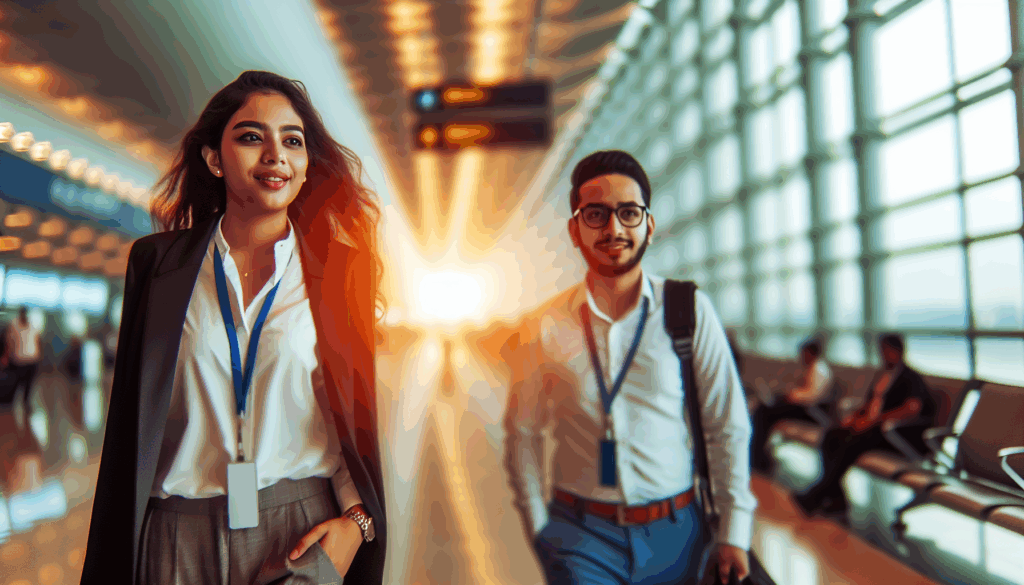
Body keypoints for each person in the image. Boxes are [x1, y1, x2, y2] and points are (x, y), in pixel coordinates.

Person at [81, 71, 387, 585]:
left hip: (300, 529)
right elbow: (131, 424)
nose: (275, 155)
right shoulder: (158, 266)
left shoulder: (340, 273)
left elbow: (353, 426)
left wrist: (356, 524)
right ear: (214, 159)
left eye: (292, 141)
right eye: (251, 137)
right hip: (177, 537)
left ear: (306, 165)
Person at [503, 150, 756, 585]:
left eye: (629, 213)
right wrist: (539, 527)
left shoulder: (688, 311)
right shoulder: (543, 325)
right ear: (575, 230)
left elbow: (725, 424)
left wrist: (735, 532)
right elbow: (523, 432)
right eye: (596, 214)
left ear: (649, 226)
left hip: (678, 533)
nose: (614, 229)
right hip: (580, 535)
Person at [792, 333, 936, 519]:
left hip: (895, 435)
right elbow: (869, 404)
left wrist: (874, 420)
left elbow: (911, 409)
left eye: (887, 350)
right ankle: (836, 499)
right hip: (875, 429)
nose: (883, 354)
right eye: (882, 350)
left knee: (849, 443)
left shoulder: (911, 377)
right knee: (832, 435)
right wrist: (854, 418)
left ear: (898, 351)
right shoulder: (883, 375)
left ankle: (816, 494)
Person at [750, 338, 833, 473]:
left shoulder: (819, 370)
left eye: (804, 353)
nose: (801, 357)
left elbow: (812, 396)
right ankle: (758, 454)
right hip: (802, 407)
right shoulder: (812, 368)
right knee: (765, 411)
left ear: (811, 353)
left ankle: (758, 456)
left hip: (808, 411)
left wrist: (793, 395)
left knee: (765, 414)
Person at [2, 307, 42, 430]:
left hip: (32, 360)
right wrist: (6, 357)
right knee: (15, 384)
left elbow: (37, 340)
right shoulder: (14, 325)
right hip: (18, 360)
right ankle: (9, 404)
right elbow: (9, 342)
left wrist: (39, 354)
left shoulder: (32, 326)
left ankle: (26, 403)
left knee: (28, 385)